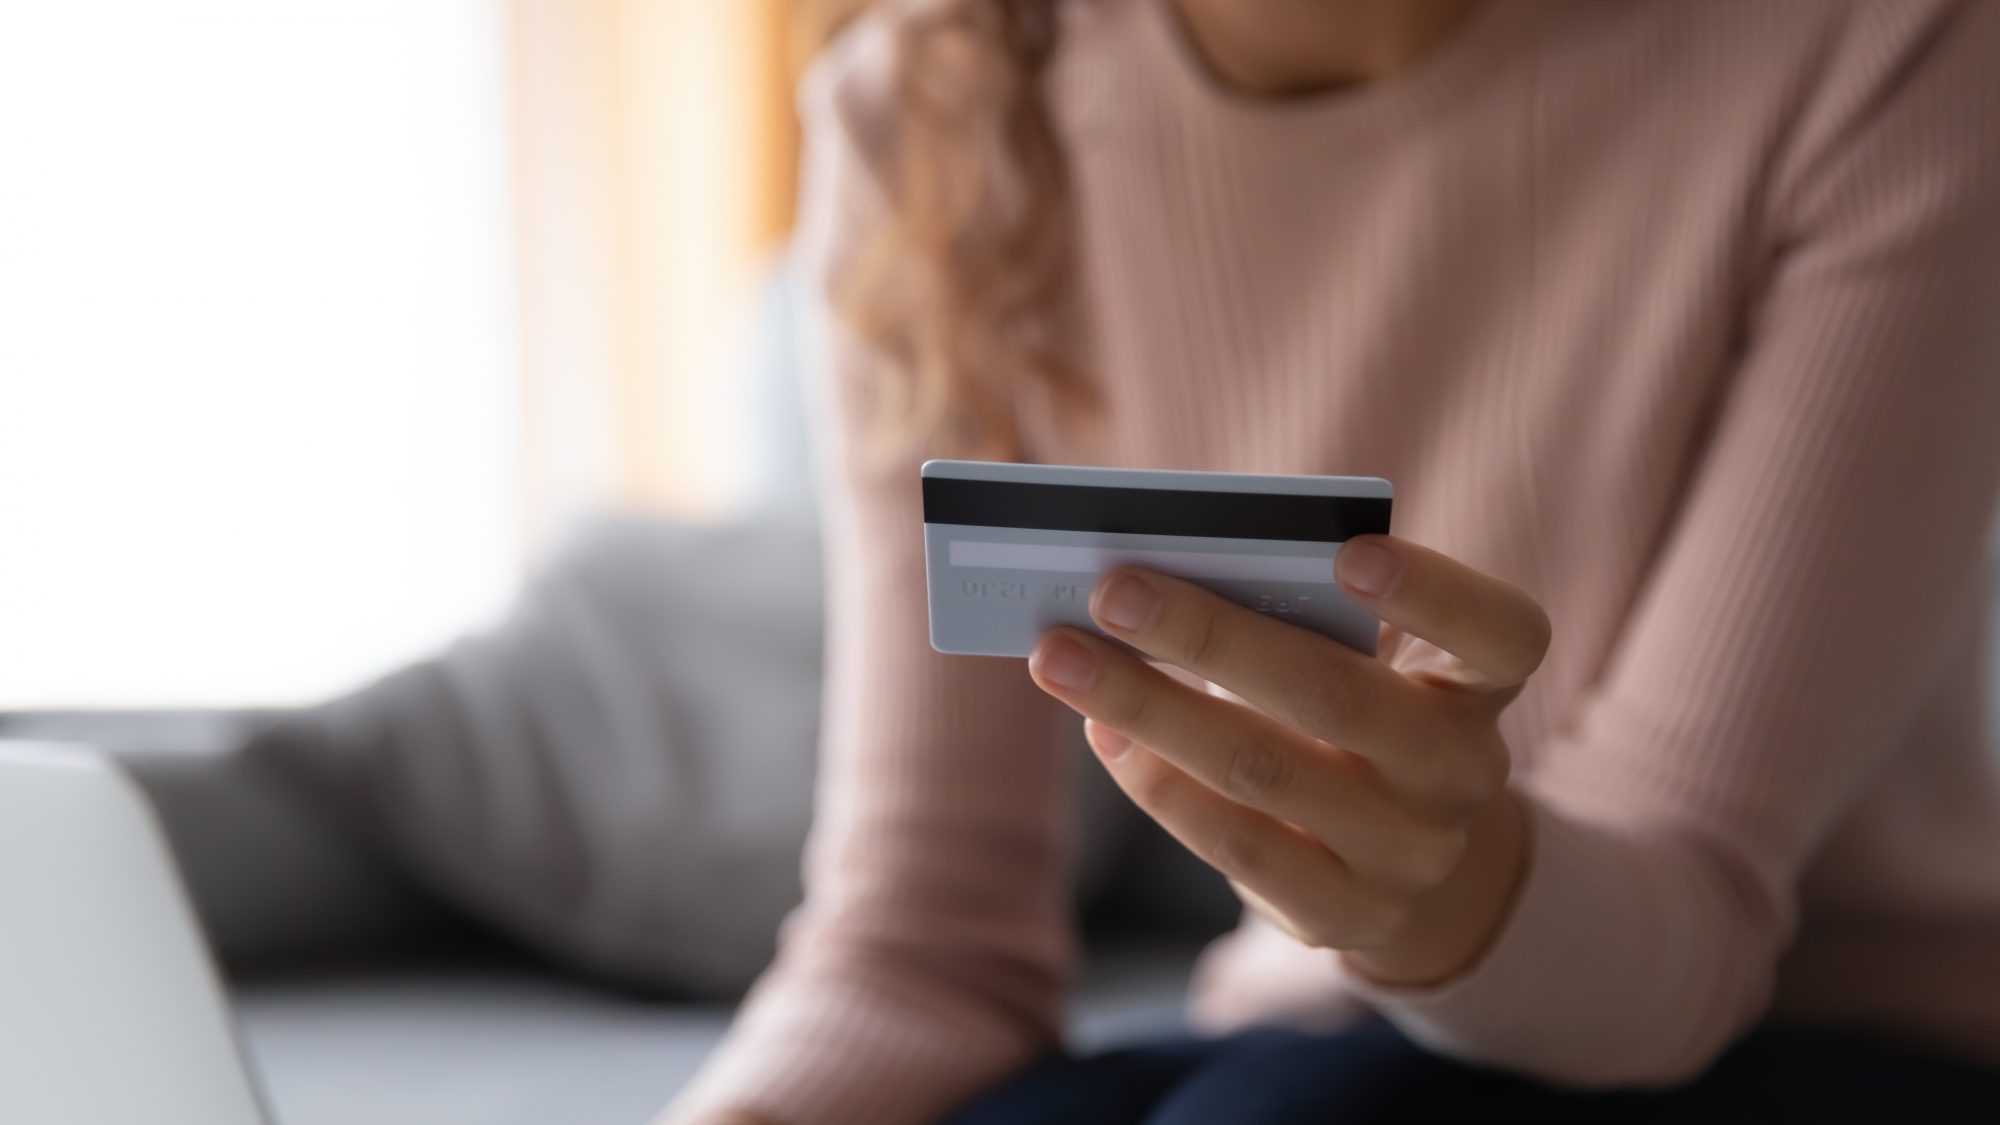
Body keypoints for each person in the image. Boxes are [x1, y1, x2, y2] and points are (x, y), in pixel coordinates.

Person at [664, 0, 2000, 1121]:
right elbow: (922, 943)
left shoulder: (1890, 47)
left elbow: (1691, 919)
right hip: (1313, 1025)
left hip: (1836, 1027)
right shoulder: (928, 107)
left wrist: (1457, 901)